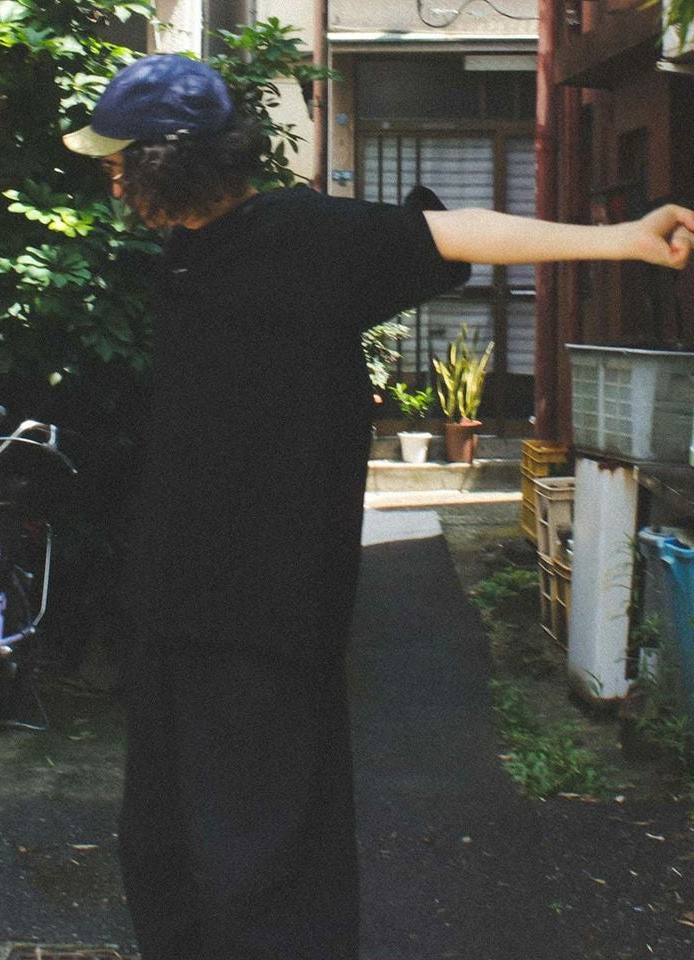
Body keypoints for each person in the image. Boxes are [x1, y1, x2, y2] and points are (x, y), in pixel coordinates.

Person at [64, 54, 694, 960]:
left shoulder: (302, 234)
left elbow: (458, 232)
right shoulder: (187, 253)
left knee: (259, 851)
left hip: (266, 604)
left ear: (171, 161)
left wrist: (624, 239)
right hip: (173, 603)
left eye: (123, 161)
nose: (114, 179)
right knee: (162, 841)